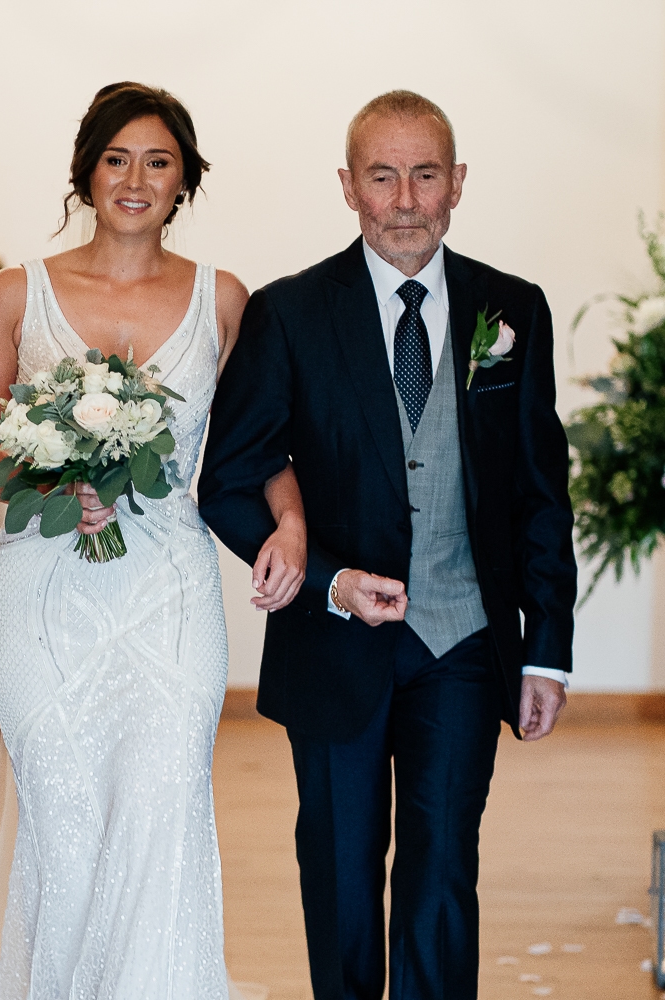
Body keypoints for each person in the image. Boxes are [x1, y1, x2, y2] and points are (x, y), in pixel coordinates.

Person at [198, 91, 575, 1000]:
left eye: (426, 173)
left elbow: (539, 492)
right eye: (382, 175)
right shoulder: (288, 314)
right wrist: (323, 579)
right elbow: (229, 478)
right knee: (339, 874)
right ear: (347, 186)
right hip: (333, 646)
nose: (406, 199)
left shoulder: (511, 308)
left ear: (457, 184)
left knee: (443, 869)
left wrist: (548, 653)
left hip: (463, 642)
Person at [0, 82, 302, 999]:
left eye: (159, 161)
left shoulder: (223, 299)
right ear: (86, 170)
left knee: (158, 812)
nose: (136, 180)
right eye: (117, 159)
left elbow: (260, 443)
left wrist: (291, 519)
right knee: (64, 820)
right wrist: (47, 484)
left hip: (168, 593)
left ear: (185, 179)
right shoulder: (14, 293)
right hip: (44, 590)